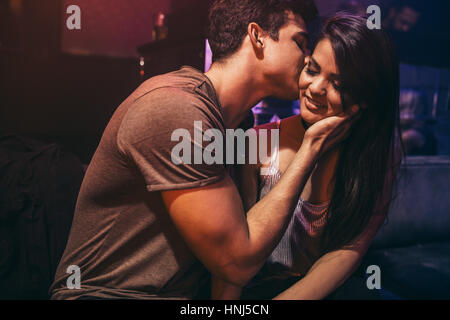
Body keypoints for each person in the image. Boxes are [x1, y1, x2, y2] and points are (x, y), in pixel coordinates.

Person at [49, 0, 360, 300]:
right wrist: (311, 147)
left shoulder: (237, 126)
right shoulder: (176, 108)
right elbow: (238, 263)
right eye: (300, 43)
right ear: (258, 36)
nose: (306, 58)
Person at [213, 14, 404, 300]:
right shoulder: (258, 141)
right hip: (259, 287)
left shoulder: (377, 156)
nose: (315, 88)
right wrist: (310, 148)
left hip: (324, 289)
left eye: (338, 85)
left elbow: (347, 251)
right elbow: (234, 256)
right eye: (313, 70)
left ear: (365, 98)